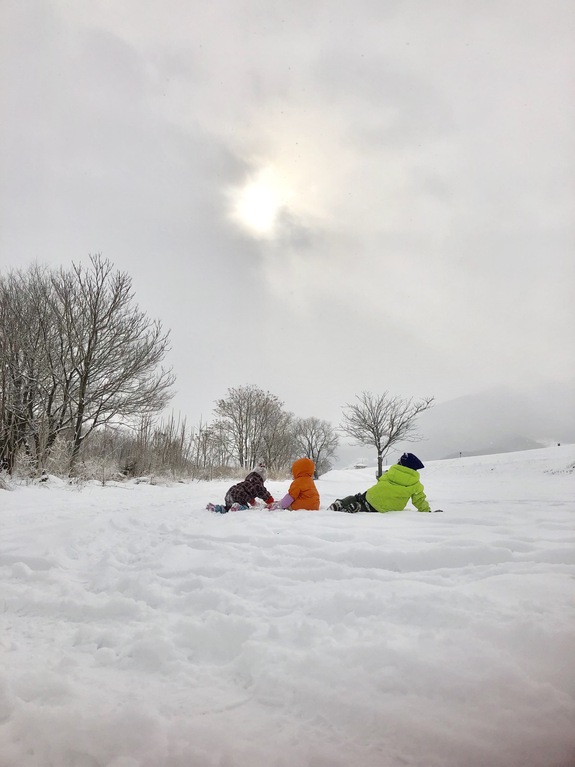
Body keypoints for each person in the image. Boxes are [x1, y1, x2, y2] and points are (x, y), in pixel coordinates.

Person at [328, 453, 442, 513]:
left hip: (373, 496)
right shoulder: (416, 484)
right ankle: (358, 507)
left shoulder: (391, 471)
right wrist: (426, 511)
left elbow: (381, 481)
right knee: (368, 507)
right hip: (390, 508)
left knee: (357, 497)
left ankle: (342, 504)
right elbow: (419, 500)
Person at [207, 463, 274, 513]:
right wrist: (271, 502)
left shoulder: (248, 482)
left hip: (231, 492)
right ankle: (238, 508)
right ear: (262, 478)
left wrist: (254, 503)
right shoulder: (257, 485)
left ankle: (216, 508)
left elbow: (249, 497)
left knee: (228, 508)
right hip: (240, 494)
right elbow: (264, 494)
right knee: (245, 507)